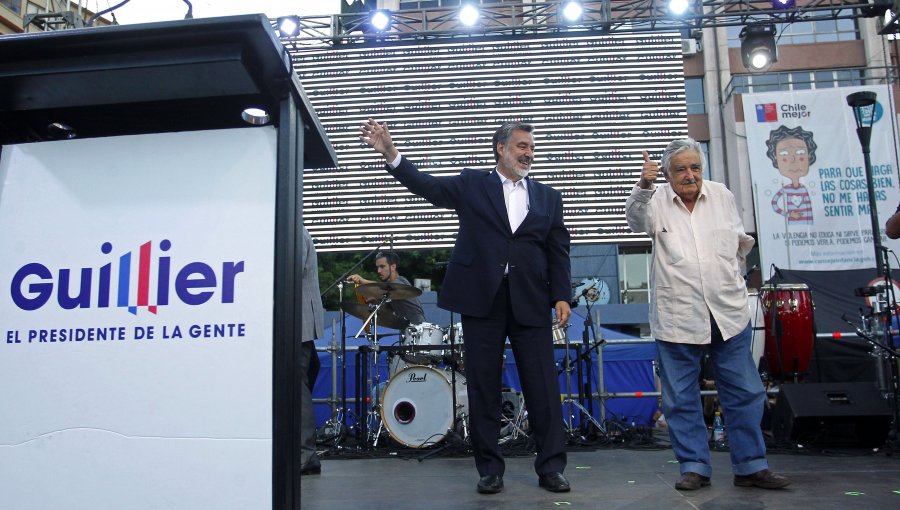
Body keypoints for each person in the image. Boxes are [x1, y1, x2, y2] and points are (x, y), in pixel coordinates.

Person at [359, 118, 572, 494]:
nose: (528, 153)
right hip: (482, 300)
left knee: (542, 387)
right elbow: (429, 187)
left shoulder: (547, 197)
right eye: (521, 146)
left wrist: (561, 295)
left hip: (530, 300)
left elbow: (558, 250)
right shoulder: (473, 184)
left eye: (531, 147)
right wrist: (391, 153)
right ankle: (490, 469)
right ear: (501, 149)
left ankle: (551, 467)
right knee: (483, 387)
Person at [626, 139, 791, 491]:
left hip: (728, 313)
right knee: (681, 398)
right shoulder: (654, 199)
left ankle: (751, 466)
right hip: (677, 316)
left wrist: (733, 279)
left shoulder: (722, 195)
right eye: (681, 169)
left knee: (746, 392)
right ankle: (695, 466)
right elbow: (635, 222)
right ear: (668, 174)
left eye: (695, 167)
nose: (690, 175)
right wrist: (643, 185)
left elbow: (738, 244)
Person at [300, 225, 326, 476]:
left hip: (299, 324)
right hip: (299, 324)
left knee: (298, 390)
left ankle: (305, 456)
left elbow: (289, 271)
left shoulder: (294, 230)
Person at [349, 250, 426, 325]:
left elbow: (384, 286)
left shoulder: (399, 282)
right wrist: (376, 302)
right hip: (408, 330)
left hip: (418, 328)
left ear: (393, 267)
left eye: (382, 267)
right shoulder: (394, 293)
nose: (379, 271)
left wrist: (363, 281)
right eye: (378, 267)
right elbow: (389, 309)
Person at [765, 125, 817, 225]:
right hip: (792, 227)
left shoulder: (804, 188)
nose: (792, 160)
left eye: (800, 152)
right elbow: (774, 203)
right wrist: (789, 214)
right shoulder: (785, 189)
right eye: (784, 154)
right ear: (775, 158)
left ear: (809, 155)